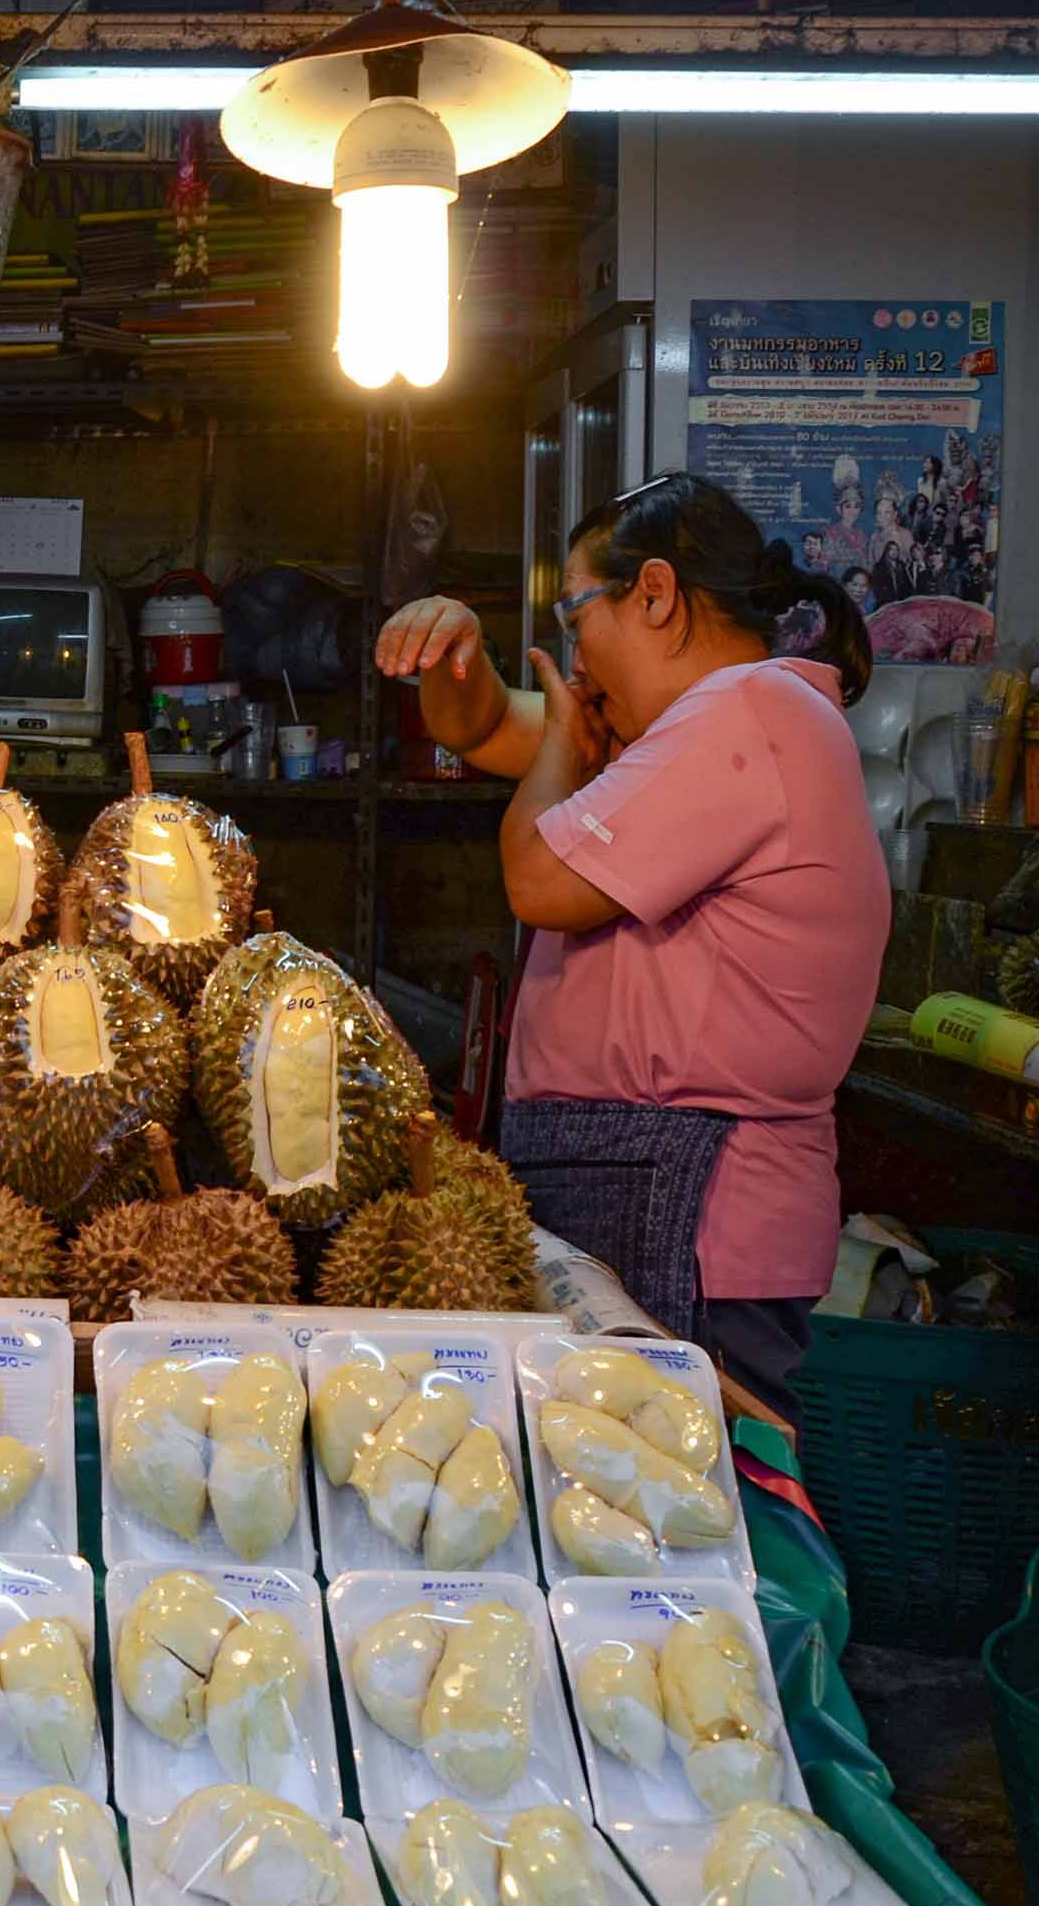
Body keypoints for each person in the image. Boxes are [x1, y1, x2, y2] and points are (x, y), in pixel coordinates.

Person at [374, 472, 888, 1418]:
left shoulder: (744, 715)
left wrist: (561, 746)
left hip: (692, 1207)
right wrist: (454, 644)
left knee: (671, 1489)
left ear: (653, 593)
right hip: (642, 1180)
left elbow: (538, 882)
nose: (577, 658)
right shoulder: (692, 729)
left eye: (577, 618)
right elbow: (481, 726)